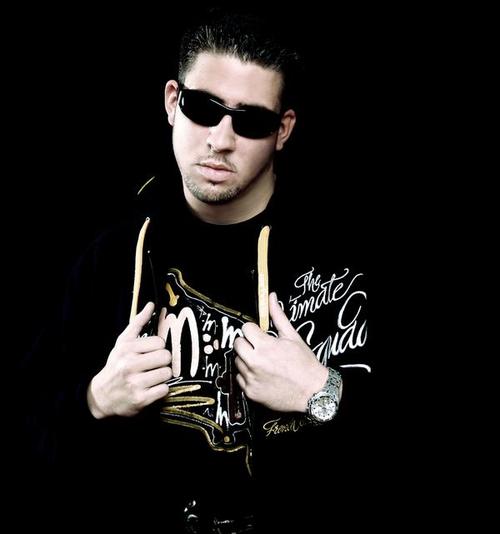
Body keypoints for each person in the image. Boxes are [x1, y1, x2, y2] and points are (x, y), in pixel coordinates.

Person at [22, 8, 376, 532]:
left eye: (251, 121)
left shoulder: (349, 255)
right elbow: (28, 431)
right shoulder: (109, 255)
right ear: (173, 102)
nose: (221, 139)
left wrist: (323, 394)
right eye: (203, 109)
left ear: (282, 130)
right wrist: (95, 401)